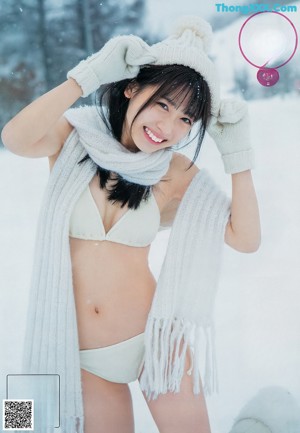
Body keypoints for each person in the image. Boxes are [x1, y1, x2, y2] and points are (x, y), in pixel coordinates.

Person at [2, 16, 260, 433]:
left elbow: (246, 239)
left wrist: (239, 158)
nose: (168, 128)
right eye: (163, 104)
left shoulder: (173, 171)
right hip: (78, 352)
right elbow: (15, 138)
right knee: (28, 420)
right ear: (131, 87)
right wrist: (83, 78)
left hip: (156, 344)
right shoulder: (76, 137)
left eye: (185, 120)